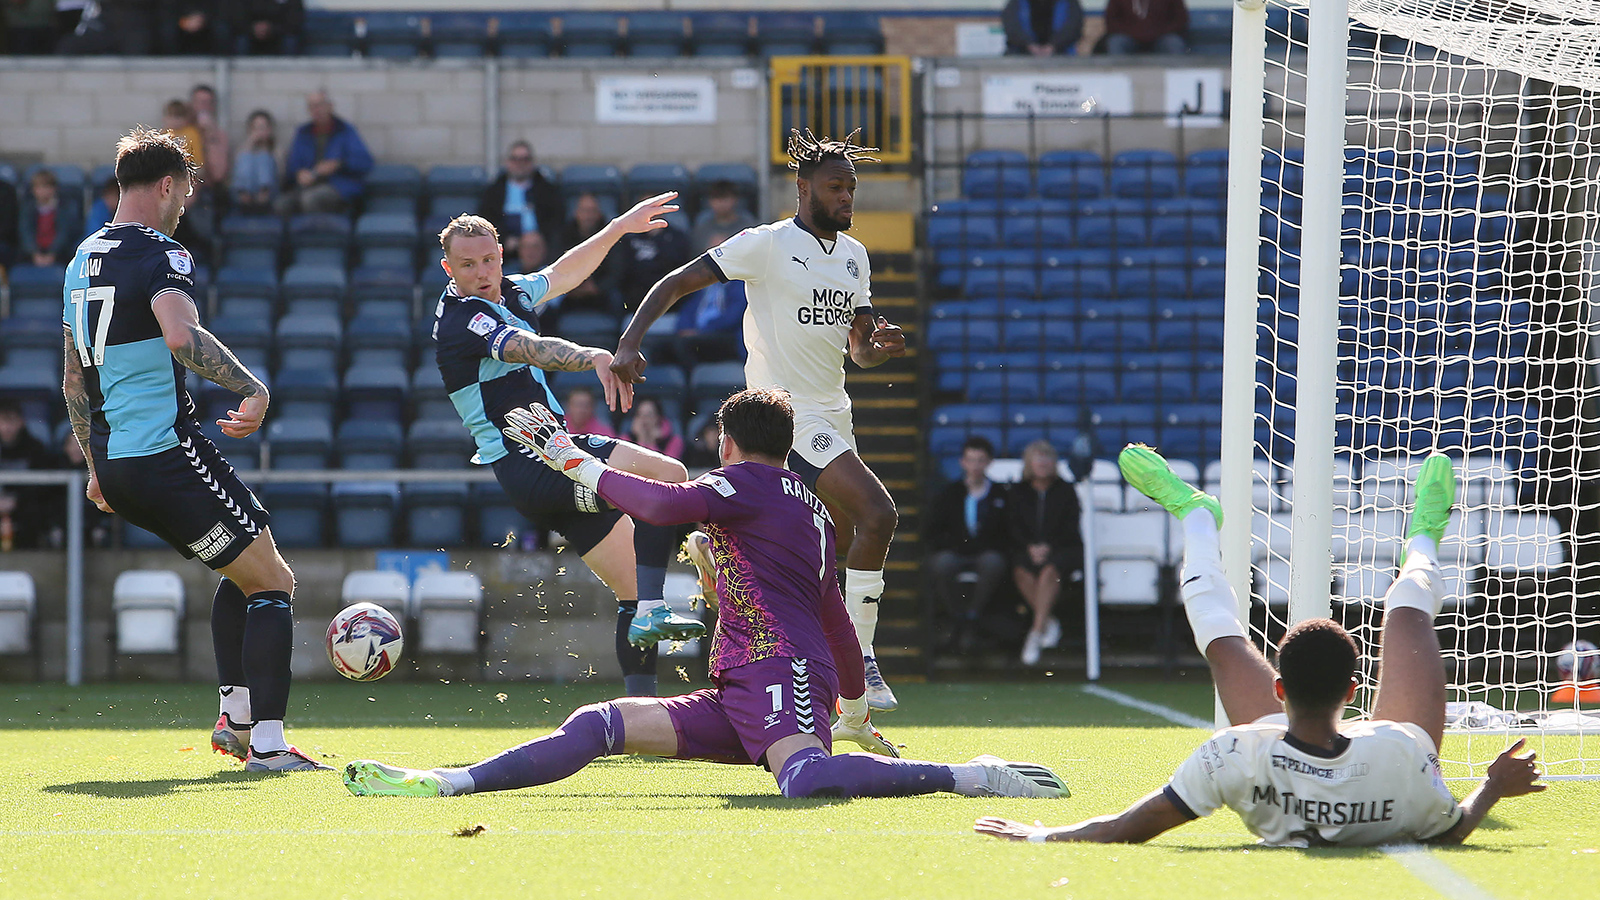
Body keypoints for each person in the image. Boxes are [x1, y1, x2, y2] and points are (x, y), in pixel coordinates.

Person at [342, 389, 1068, 802]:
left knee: (804, 779)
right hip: (746, 684)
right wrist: (852, 705)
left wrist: (573, 460)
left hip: (774, 669)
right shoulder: (807, 505)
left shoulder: (744, 483)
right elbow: (837, 619)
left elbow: (659, 508)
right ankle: (447, 781)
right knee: (600, 722)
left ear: (728, 442)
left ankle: (973, 776)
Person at [976, 446, 1545, 847]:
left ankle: (1198, 516)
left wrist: (1043, 834)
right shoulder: (1405, 756)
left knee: (1221, 641)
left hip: (1292, 758)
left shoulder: (1236, 752)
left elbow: (1127, 828)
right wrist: (1491, 787)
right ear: (1355, 691)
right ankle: (1424, 532)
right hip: (1388, 758)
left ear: (1278, 689)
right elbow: (1454, 831)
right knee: (1406, 606)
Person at [611, 129, 909, 711]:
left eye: (851, 188)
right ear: (802, 189)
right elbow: (678, 281)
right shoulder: (767, 245)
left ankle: (717, 550)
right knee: (879, 514)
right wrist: (628, 343)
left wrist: (882, 346)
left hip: (835, 411)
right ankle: (864, 668)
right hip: (787, 414)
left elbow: (860, 349)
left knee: (834, 540)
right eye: (835, 187)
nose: (847, 198)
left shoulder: (855, 258)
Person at [61, 126, 325, 772]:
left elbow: (73, 376)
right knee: (274, 583)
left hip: (120, 463)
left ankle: (235, 719)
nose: (183, 207)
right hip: (166, 453)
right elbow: (181, 336)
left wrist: (97, 466)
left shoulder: (80, 257)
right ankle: (266, 744)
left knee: (243, 565)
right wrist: (251, 387)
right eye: (183, 194)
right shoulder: (161, 253)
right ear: (166, 186)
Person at [429, 206, 705, 697]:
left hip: (553, 454)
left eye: (489, 259)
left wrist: (618, 228)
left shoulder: (510, 289)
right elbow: (528, 348)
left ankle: (641, 707)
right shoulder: (463, 320)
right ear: (448, 269)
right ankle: (699, 563)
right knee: (670, 475)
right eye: (468, 265)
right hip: (532, 461)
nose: (482, 273)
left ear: (499, 254)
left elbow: (562, 273)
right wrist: (595, 356)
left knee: (633, 591)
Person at [925, 436, 1010, 654]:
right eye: (971, 460)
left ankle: (972, 615)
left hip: (986, 553)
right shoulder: (949, 493)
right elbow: (933, 530)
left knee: (993, 562)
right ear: (962, 462)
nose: (975, 466)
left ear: (989, 462)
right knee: (943, 564)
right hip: (956, 552)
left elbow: (1008, 530)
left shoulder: (1001, 494)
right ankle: (957, 617)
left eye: (980, 460)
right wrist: (956, 545)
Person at [1007, 439, 1083, 666]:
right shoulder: (1018, 492)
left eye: (1047, 458)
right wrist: (1031, 547)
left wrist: (1048, 547)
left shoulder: (1066, 491)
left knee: (1050, 570)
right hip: (1026, 550)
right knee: (1021, 571)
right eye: (1037, 458)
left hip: (1063, 549)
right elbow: (1012, 526)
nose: (1043, 463)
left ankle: (1036, 632)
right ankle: (1048, 622)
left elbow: (1071, 527)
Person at [275, 90, 373, 215]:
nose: (316, 110)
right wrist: (299, 174)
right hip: (308, 186)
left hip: (338, 187)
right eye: (311, 106)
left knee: (310, 199)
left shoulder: (345, 131)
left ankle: (320, 232)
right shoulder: (303, 133)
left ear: (330, 106)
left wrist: (338, 164)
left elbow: (365, 162)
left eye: (319, 105)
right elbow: (293, 165)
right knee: (281, 204)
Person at [672, 233, 747, 367]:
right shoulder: (700, 281)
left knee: (686, 346)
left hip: (723, 336)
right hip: (697, 336)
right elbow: (689, 307)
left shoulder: (739, 281)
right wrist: (684, 327)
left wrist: (702, 331)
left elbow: (733, 315)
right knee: (661, 349)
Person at [477, 140, 563, 257]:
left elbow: (556, 220)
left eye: (525, 159)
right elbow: (487, 219)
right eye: (515, 159)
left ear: (532, 162)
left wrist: (540, 238)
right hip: (506, 249)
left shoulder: (547, 190)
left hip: (539, 248)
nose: (520, 164)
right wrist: (505, 238)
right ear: (508, 162)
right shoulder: (495, 191)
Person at [613, 191, 692, 314]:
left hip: (668, 301)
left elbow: (680, 269)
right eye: (646, 209)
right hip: (635, 302)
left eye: (654, 208)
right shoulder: (628, 238)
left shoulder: (677, 237)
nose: (651, 213)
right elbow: (622, 273)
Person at [0, 400, 59, 550]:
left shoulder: (35, 448)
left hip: (25, 505)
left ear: (21, 422)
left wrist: (16, 500)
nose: (6, 428)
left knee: (35, 512)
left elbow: (42, 486)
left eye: (11, 421)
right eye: (2, 422)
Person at [552, 192, 615, 316]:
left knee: (618, 300)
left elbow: (617, 269)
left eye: (592, 211)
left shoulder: (611, 234)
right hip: (567, 289)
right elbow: (554, 263)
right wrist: (571, 286)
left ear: (599, 214)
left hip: (600, 290)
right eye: (585, 211)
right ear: (577, 213)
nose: (588, 216)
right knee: (549, 303)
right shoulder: (564, 233)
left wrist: (597, 287)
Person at [20, 168, 80, 268]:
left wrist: (53, 253)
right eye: (39, 188)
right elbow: (26, 232)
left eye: (46, 187)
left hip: (60, 252)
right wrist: (34, 253)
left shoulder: (65, 207)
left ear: (54, 189)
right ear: (33, 190)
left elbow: (64, 233)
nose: (43, 191)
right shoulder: (27, 209)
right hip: (33, 253)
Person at [230, 110, 278, 215]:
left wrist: (264, 146)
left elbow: (281, 172)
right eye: (256, 128)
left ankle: (263, 194)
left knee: (264, 158)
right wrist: (251, 142)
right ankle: (244, 194)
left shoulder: (277, 150)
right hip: (243, 194)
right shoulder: (243, 150)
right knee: (245, 158)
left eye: (263, 128)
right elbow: (236, 169)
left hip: (270, 195)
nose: (260, 132)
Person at [689, 180, 755, 252]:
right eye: (717, 198)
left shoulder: (748, 227)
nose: (721, 203)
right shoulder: (702, 229)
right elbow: (695, 257)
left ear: (735, 199)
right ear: (709, 201)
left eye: (725, 197)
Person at [1102, 0, 1188, 54]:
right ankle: (1118, 79)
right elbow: (1111, 20)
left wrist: (1158, 32)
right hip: (1129, 38)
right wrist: (1135, 33)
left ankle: (1177, 79)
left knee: (1173, 43)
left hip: (1161, 37)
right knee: (1116, 42)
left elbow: (1181, 19)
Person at [1002, 0, 1084, 56]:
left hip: (1062, 55)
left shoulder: (1069, 3)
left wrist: (1052, 46)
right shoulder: (1017, 3)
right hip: (1021, 54)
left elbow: (1072, 28)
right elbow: (1012, 28)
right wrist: (1030, 45)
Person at [189, 84, 231, 186]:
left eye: (207, 103)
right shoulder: (181, 131)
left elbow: (218, 174)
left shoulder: (219, 136)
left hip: (208, 189)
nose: (203, 107)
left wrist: (210, 136)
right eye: (200, 102)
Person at [228, 0, 301, 54]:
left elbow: (295, 19)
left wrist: (271, 29)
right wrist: (253, 28)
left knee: (290, 41)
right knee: (241, 41)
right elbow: (236, 16)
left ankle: (288, 73)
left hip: (279, 34)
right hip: (250, 33)